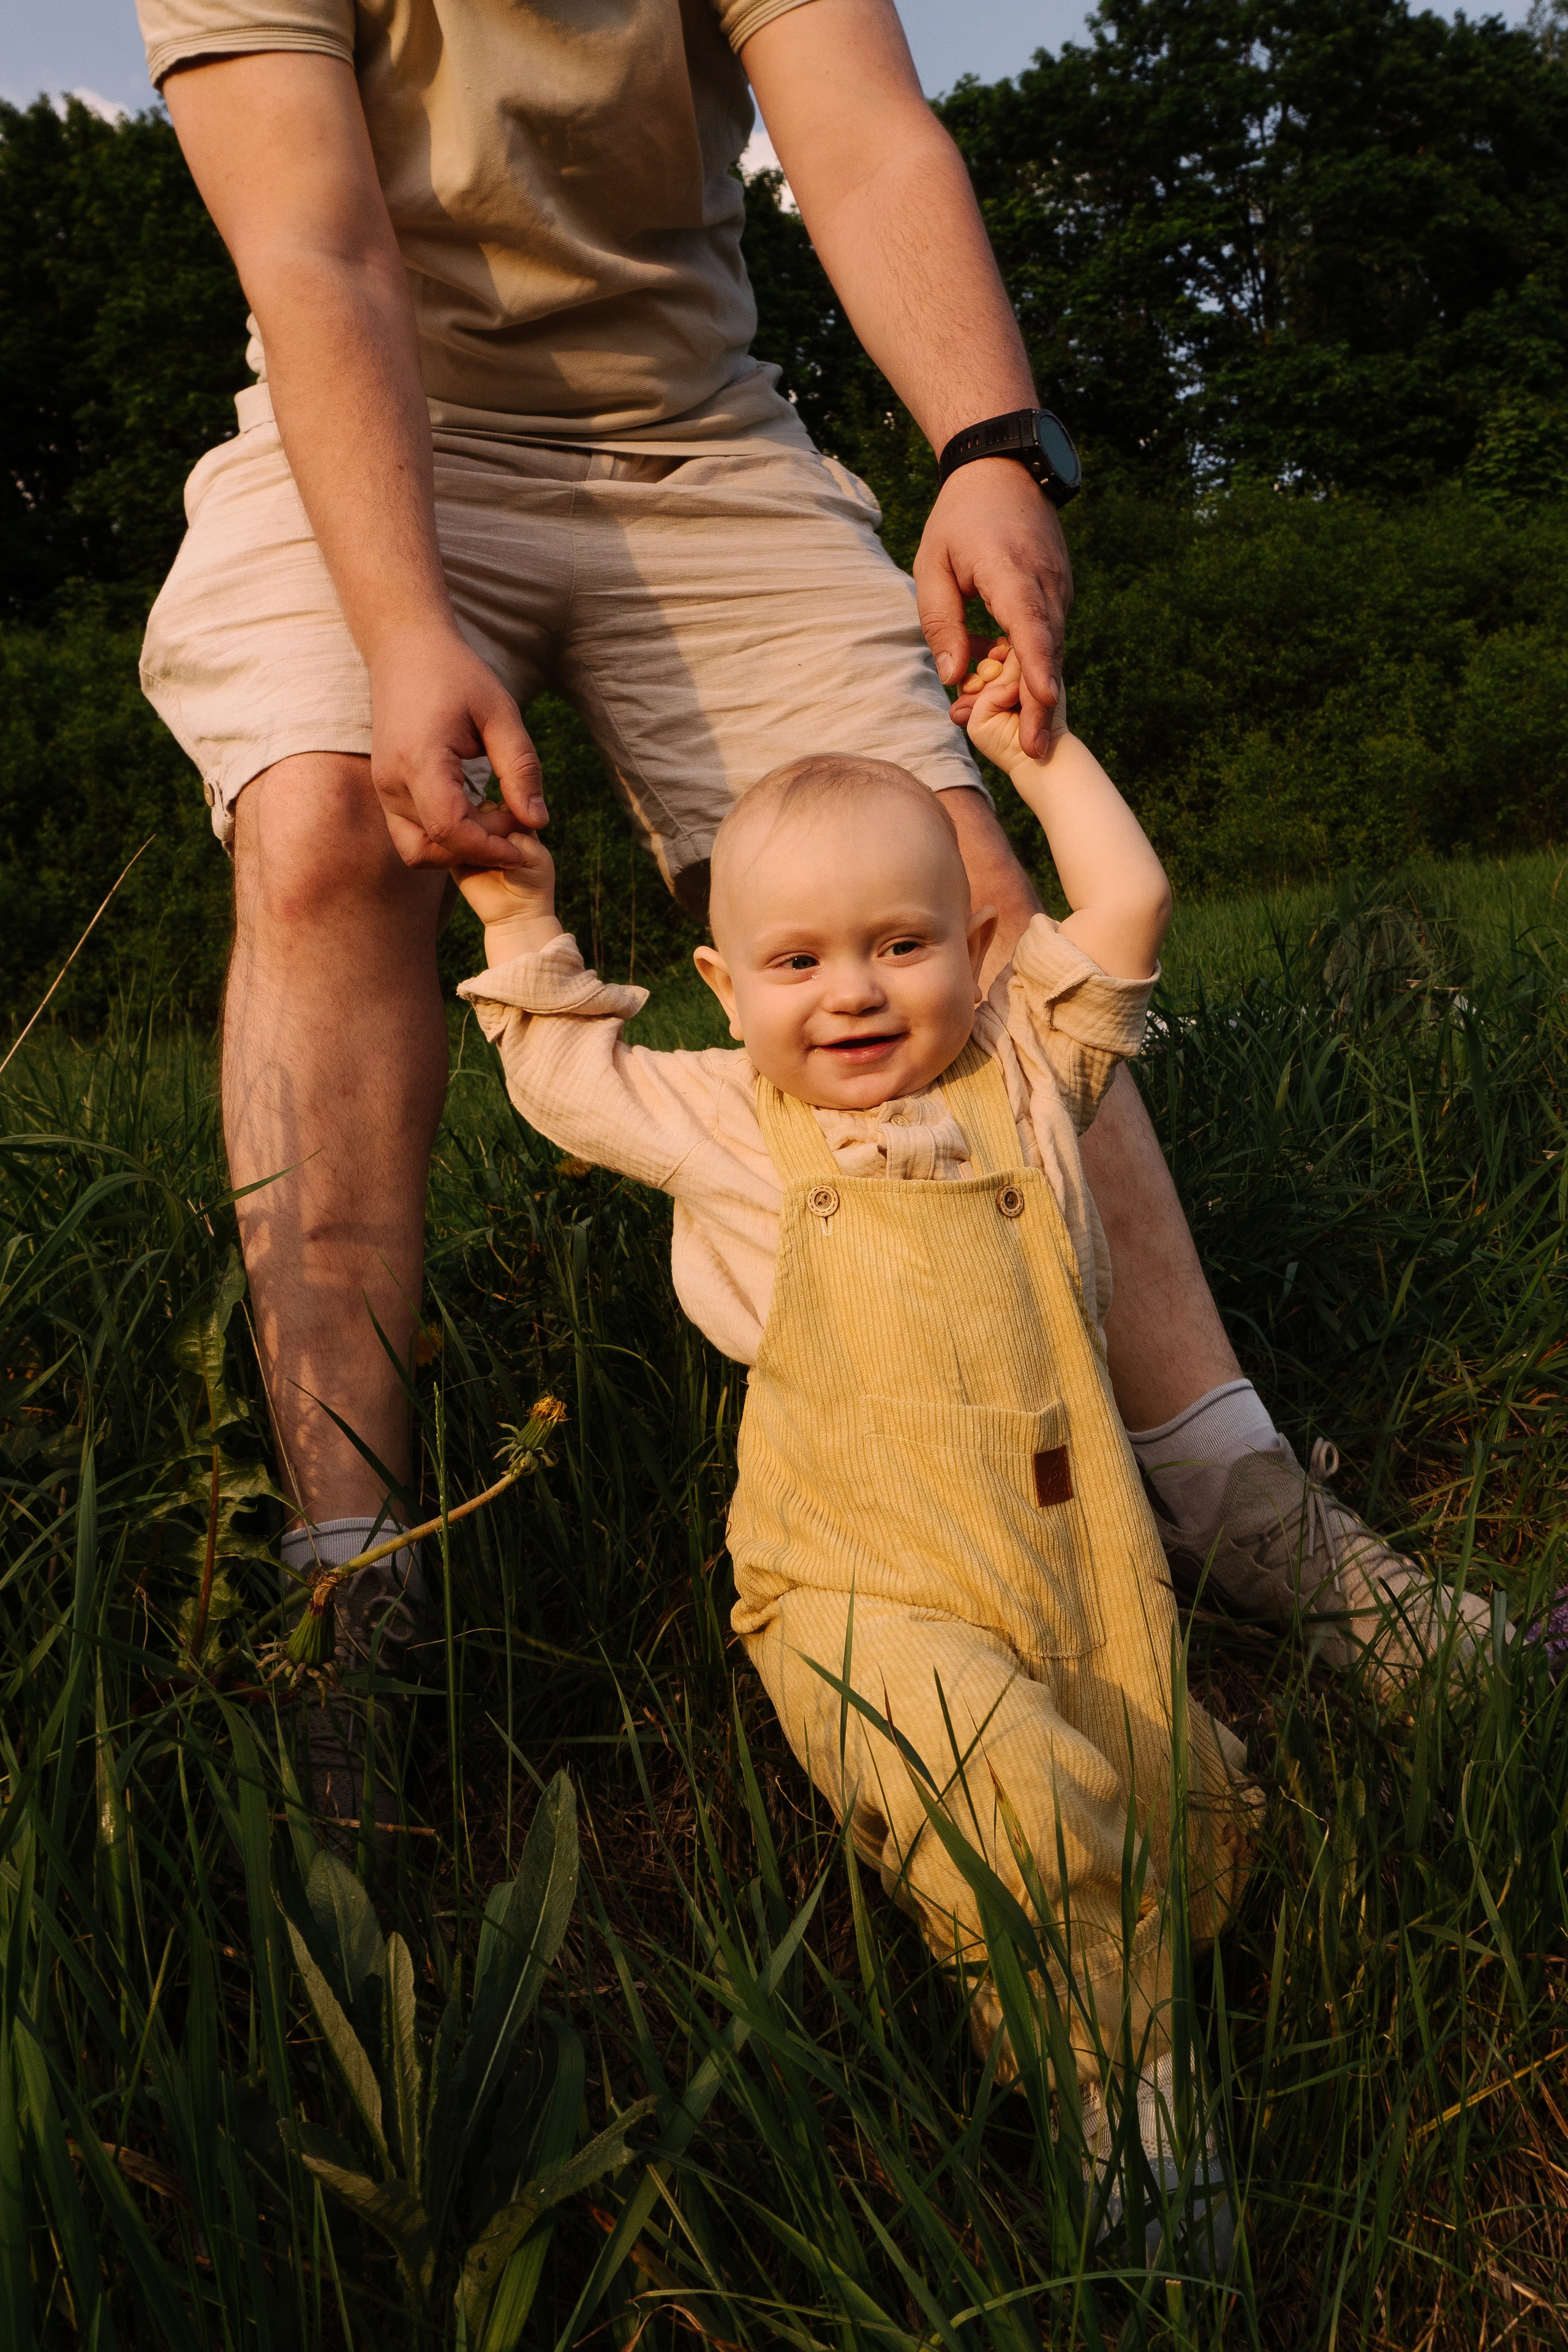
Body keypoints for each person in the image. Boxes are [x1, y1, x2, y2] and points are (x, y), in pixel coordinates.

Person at [135, 0, 1480, 1749]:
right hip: (373, 426)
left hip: (698, 437)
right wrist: (401, 630)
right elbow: (314, 244)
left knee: (962, 881)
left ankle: (1237, 1496)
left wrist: (992, 446)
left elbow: (858, 131)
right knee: (326, 826)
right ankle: (350, 1576)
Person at [453, 646, 1254, 2260]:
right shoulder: (728, 1119)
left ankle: (1088, 1981)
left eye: (902, 946)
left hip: (1072, 1551)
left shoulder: (1030, 1077)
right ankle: (1127, 2100)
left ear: (979, 949)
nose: (855, 993)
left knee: (1161, 1802)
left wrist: (1037, 760)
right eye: (799, 961)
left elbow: (1133, 907)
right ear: (724, 985)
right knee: (1015, 1798)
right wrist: (509, 913)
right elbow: (555, 1073)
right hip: (857, 1579)